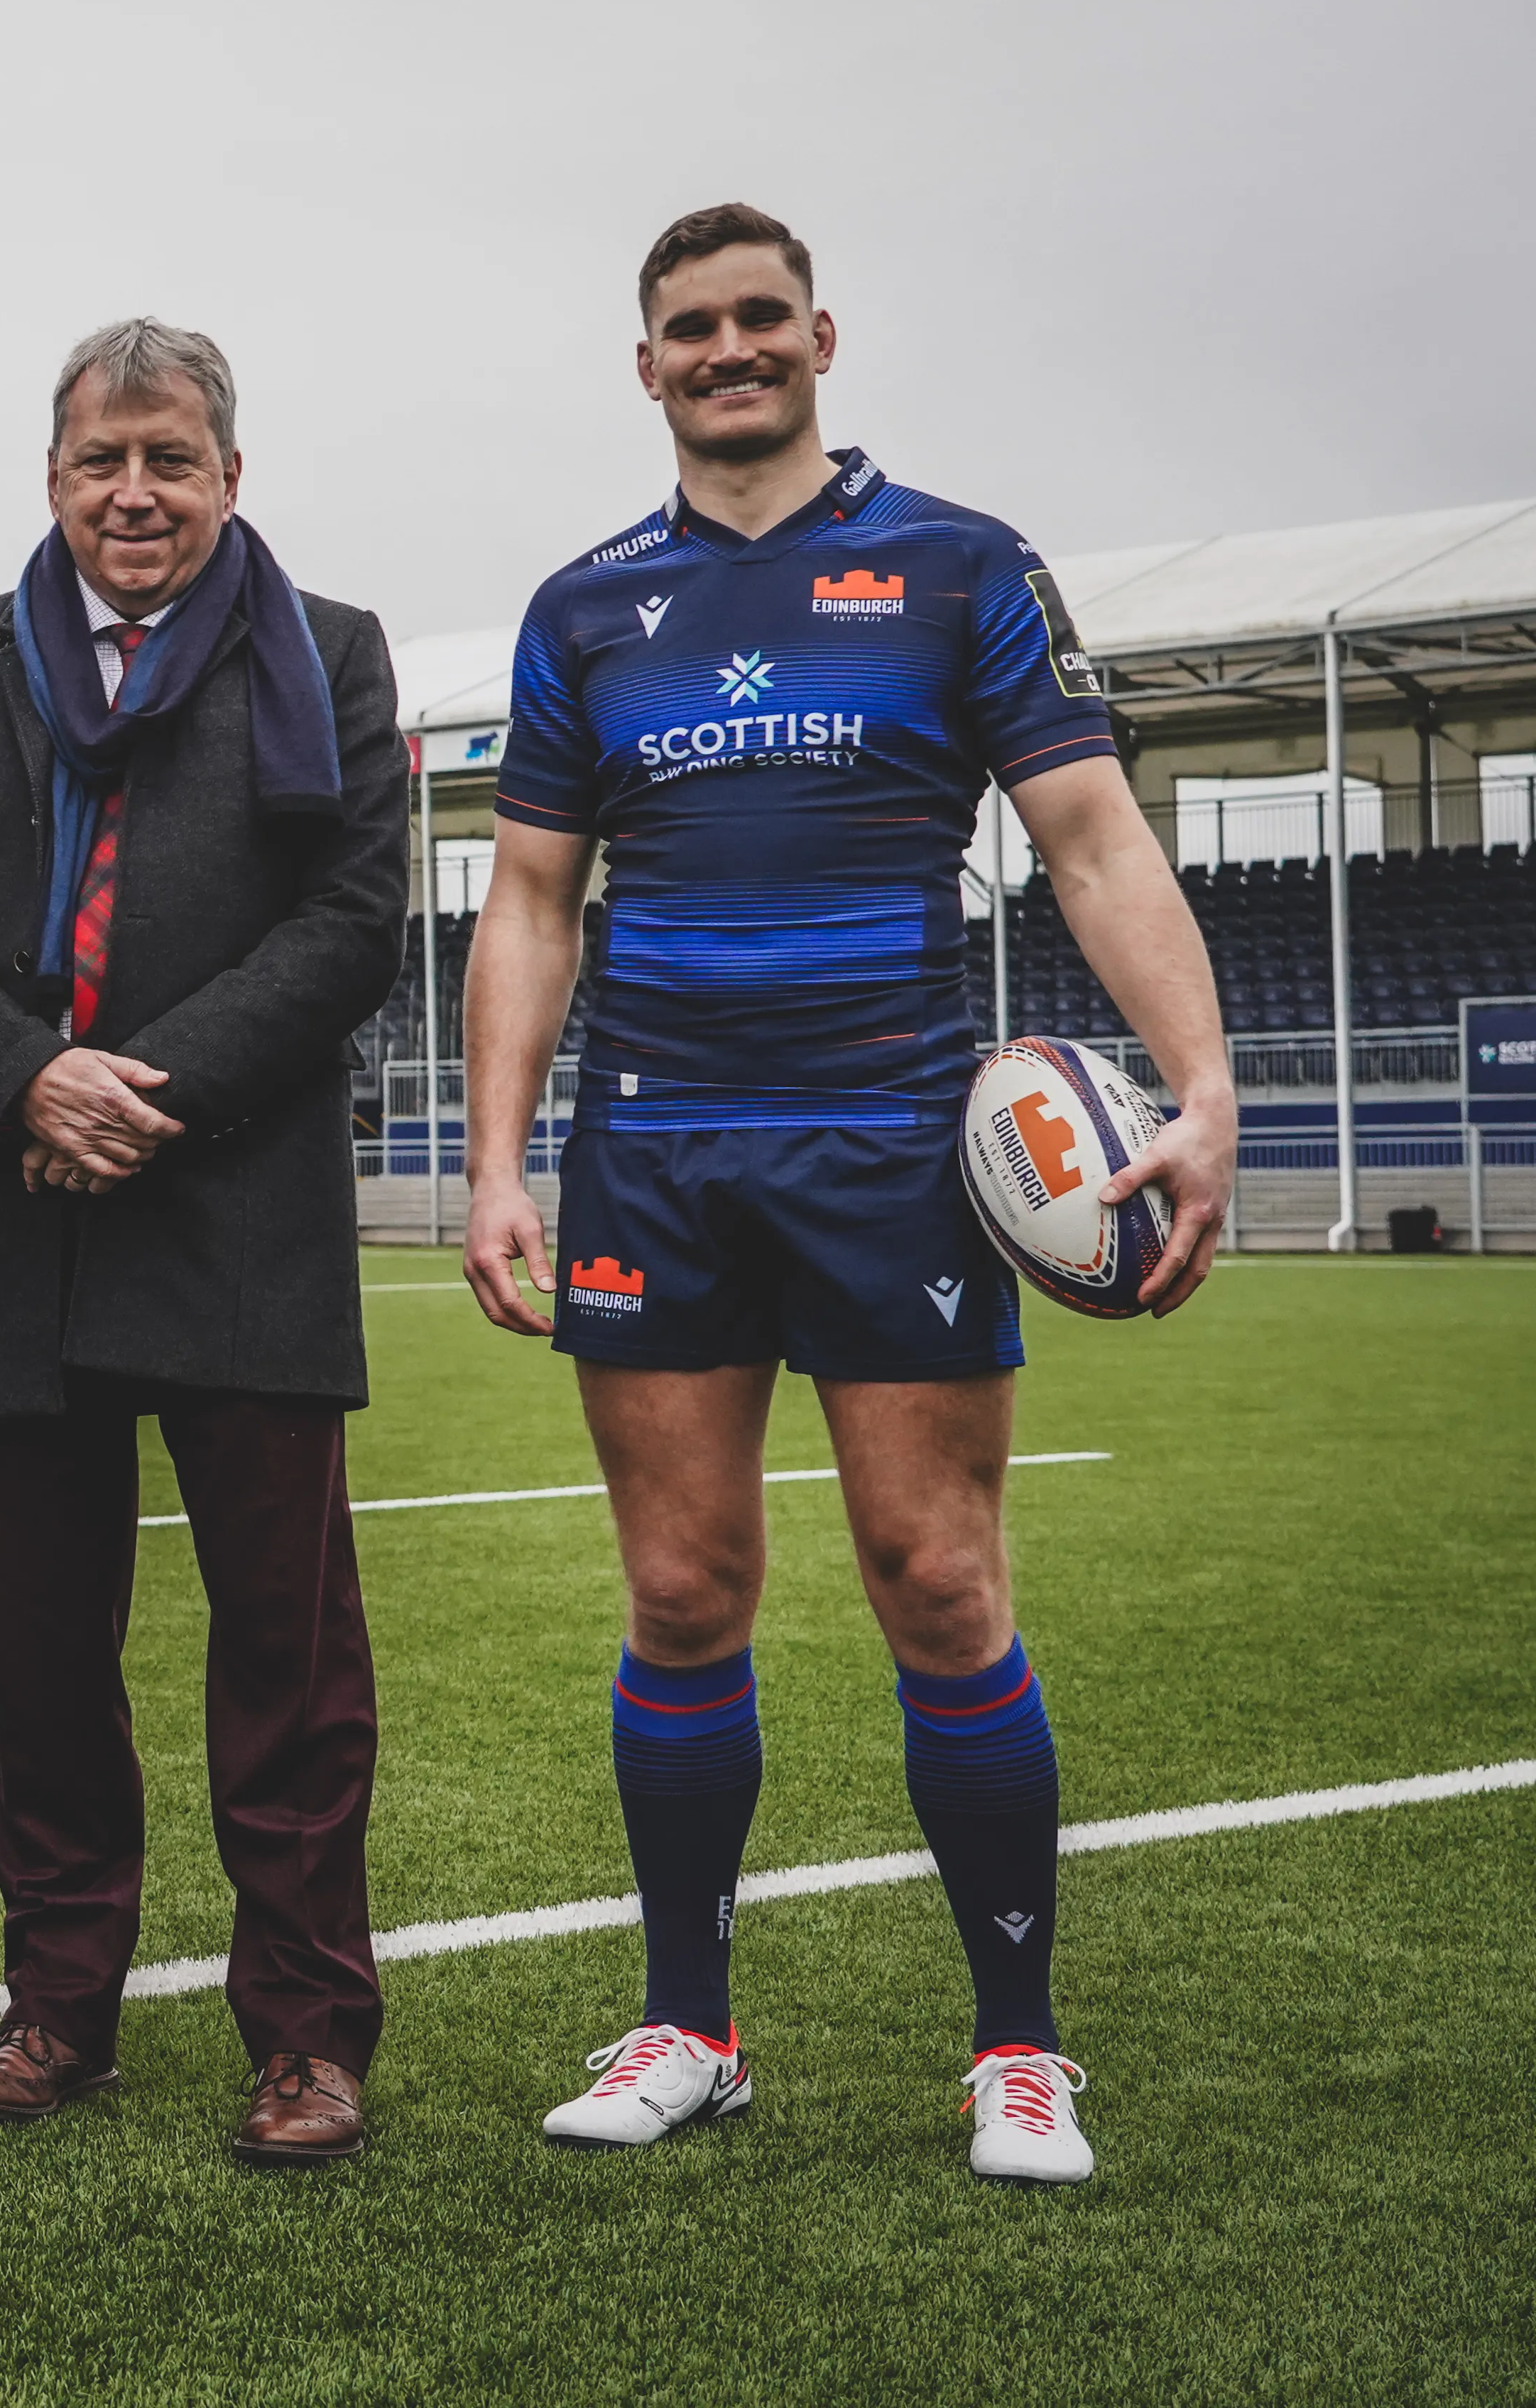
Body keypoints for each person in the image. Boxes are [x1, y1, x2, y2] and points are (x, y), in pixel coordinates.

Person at [462, 203, 1232, 2187]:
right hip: (654, 1149)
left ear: (819, 335)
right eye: (687, 329)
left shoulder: (963, 567)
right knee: (681, 1593)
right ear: (646, 368)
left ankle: (1020, 2053)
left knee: (942, 1581)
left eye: (757, 318)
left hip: (894, 1145)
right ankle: (691, 2026)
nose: (727, 351)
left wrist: (1211, 1085)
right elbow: (531, 899)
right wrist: (493, 1157)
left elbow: (1091, 838)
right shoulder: (582, 611)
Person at [0, 319, 407, 2162]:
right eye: (102, 461)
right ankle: (57, 2012)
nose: (136, 493)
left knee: (288, 1663)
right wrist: (30, 1082)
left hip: (231, 1215)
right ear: (56, 479)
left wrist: (134, 1088)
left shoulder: (325, 657)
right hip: (12, 1234)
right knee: (39, 1667)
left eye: (171, 459)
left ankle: (309, 2032)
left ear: (232, 477)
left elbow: (349, 931)